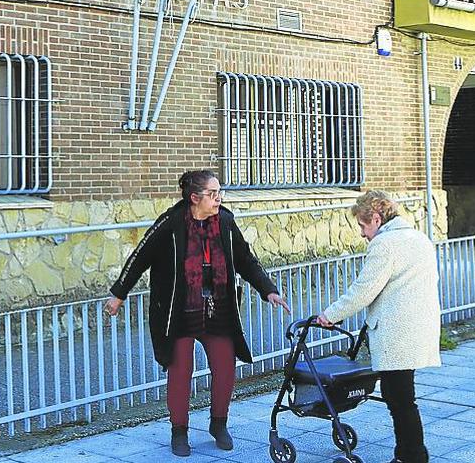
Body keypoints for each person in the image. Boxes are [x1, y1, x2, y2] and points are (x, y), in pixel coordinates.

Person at [106, 170, 290, 457]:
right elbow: (140, 257)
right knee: (180, 372)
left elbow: (245, 259)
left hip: (218, 307)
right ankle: (179, 431)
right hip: (179, 310)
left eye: (220, 193)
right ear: (194, 198)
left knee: (225, 367)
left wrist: (268, 290)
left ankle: (219, 424)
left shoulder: (226, 222)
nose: (219, 199)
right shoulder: (171, 223)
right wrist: (119, 294)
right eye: (213, 194)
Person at [315, 190, 440, 463]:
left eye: (362, 224)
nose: (362, 233)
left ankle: (412, 456)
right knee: (401, 396)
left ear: (376, 217)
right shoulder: (418, 237)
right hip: (418, 328)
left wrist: (330, 315)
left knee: (399, 399)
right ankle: (409, 454)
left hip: (397, 332)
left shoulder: (385, 244)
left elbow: (363, 291)